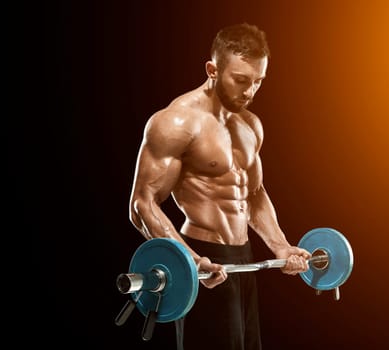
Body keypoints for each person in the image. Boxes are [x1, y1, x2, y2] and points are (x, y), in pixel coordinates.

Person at [128, 23, 311, 350]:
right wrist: (189, 260)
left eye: (258, 82)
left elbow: (253, 194)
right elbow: (142, 205)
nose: (250, 92)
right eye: (241, 80)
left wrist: (281, 245)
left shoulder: (250, 125)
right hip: (203, 257)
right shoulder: (176, 122)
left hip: (243, 259)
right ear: (212, 69)